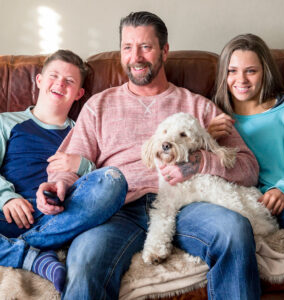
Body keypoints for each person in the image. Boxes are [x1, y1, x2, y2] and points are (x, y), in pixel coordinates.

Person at [41, 12, 261, 299]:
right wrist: (58, 183)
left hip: (187, 205)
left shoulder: (198, 106)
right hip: (119, 209)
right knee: (84, 259)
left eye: (146, 47)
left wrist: (201, 162)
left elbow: (248, 168)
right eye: (128, 48)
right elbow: (67, 163)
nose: (136, 57)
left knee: (234, 229)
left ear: (164, 51)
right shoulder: (99, 105)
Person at [0, 49, 127, 293]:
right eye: (54, 76)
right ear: (38, 81)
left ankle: (23, 248)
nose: (60, 83)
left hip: (61, 216)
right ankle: (34, 257)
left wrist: (80, 165)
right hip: (8, 214)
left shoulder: (83, 130)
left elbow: (102, 176)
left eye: (69, 81)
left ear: (79, 94)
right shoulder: (7, 122)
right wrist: (7, 197)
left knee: (114, 181)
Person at [210, 33, 284, 266]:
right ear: (223, 74)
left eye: (251, 70)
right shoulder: (213, 119)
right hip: (254, 210)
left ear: (265, 72)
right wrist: (206, 137)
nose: (241, 79)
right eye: (232, 71)